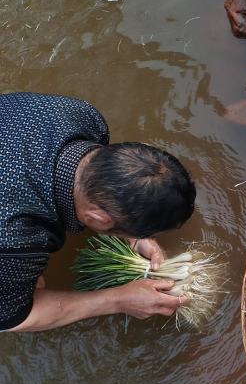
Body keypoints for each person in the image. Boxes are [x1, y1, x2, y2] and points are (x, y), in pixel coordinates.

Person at [0, 92, 196, 332]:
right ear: (96, 218)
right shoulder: (13, 239)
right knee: (31, 288)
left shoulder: (81, 115)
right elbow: (14, 318)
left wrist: (136, 234)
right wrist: (117, 300)